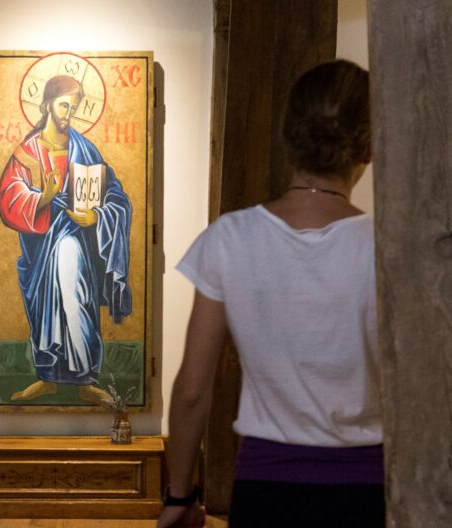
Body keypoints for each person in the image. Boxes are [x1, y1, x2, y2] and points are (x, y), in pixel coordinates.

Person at [158, 60, 383, 528]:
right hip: (368, 488)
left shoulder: (231, 238)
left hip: (266, 488)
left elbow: (193, 389)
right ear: (368, 146)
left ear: (287, 138)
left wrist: (180, 495)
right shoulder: (387, 246)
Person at [0, 75, 132, 404]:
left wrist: (97, 217)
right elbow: (8, 198)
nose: (68, 113)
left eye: (73, 107)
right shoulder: (27, 153)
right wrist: (44, 197)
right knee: (48, 302)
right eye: (62, 105)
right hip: (40, 249)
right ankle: (48, 379)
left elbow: (116, 196)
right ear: (47, 105)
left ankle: (85, 380)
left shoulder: (85, 149)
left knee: (75, 290)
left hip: (78, 241)